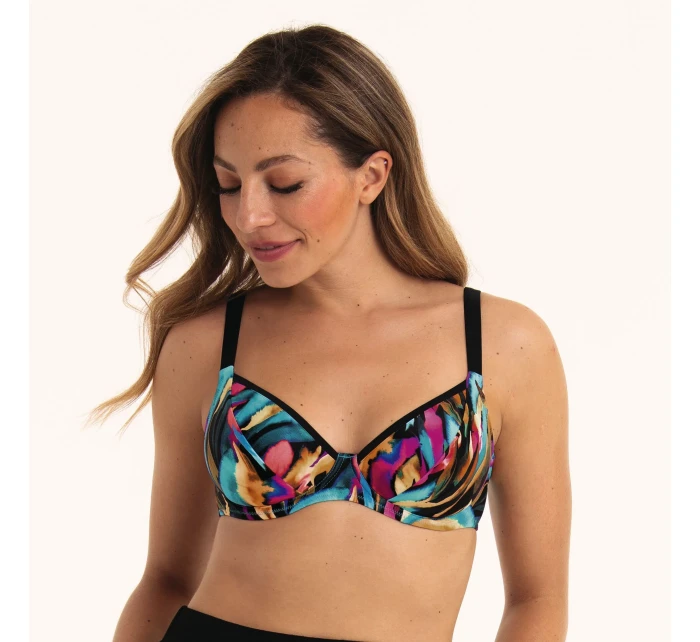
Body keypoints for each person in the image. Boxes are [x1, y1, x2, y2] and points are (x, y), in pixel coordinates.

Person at [92, 23, 571, 642]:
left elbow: (537, 599)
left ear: (372, 175)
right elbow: (165, 579)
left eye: (285, 184)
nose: (249, 215)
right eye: (229, 184)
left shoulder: (504, 343)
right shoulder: (206, 344)